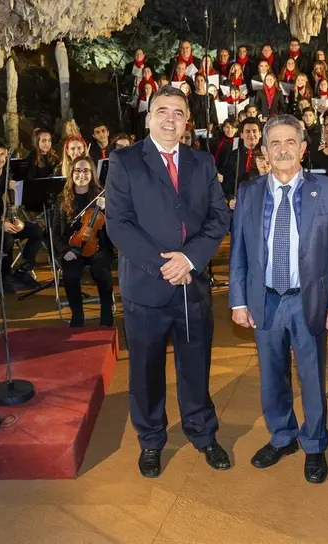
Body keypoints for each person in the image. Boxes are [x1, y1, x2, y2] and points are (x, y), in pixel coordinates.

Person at [105, 84, 233, 478]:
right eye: (162, 110)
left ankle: (202, 432)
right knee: (145, 371)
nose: (170, 118)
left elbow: (218, 217)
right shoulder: (125, 161)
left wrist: (191, 259)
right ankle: (151, 439)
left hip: (191, 284)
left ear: (186, 121)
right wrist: (164, 265)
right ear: (148, 117)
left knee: (196, 366)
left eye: (178, 112)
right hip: (146, 287)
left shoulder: (202, 162)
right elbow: (118, 224)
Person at [228, 114, 328, 484]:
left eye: (289, 142)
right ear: (263, 151)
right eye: (274, 144)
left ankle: (314, 445)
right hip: (264, 299)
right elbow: (239, 252)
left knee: (311, 376)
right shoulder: (249, 192)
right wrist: (237, 301)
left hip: (308, 300)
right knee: (271, 377)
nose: (282, 150)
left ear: (302, 148)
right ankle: (283, 437)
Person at [0, 140, 44, 292]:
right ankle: (5, 277)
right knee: (7, 237)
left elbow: (16, 205)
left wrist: (15, 190)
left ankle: (24, 270)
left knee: (36, 230)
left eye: (2, 155)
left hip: (8, 222)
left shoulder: (8, 177)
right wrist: (0, 225)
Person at [51, 156, 114, 327]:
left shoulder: (100, 195)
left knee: (102, 271)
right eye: (77, 170)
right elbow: (55, 232)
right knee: (70, 275)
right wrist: (65, 250)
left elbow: (115, 227)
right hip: (73, 248)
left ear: (92, 173)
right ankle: (77, 313)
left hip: (98, 246)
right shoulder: (63, 199)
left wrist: (108, 210)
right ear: (71, 173)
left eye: (86, 171)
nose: (81, 174)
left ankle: (107, 311)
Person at [220, 118, 263, 203]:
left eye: (254, 131)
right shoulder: (232, 156)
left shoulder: (267, 155)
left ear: (260, 134)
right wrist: (230, 198)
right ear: (241, 135)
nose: (251, 134)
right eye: (247, 131)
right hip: (239, 202)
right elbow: (227, 181)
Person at [189, 73, 220, 142]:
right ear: (194, 83)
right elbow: (189, 112)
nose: (199, 83)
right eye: (197, 81)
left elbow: (213, 112)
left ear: (205, 82)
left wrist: (211, 125)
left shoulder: (210, 97)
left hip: (208, 128)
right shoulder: (190, 97)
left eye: (201, 80)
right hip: (195, 128)